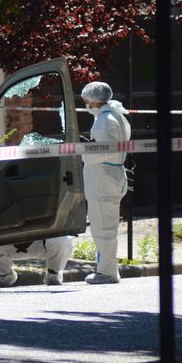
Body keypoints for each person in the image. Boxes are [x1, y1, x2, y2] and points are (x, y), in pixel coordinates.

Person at [80, 81, 131, 285]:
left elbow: (104, 151)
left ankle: (106, 272)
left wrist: (84, 152)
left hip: (103, 180)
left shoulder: (105, 120)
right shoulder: (116, 115)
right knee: (106, 226)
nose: (85, 104)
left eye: (86, 100)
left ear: (93, 100)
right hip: (110, 178)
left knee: (103, 228)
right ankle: (108, 268)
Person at [0, 236, 73, 287]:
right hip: (6, 243)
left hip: (41, 241)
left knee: (62, 238)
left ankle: (53, 273)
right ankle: (5, 274)